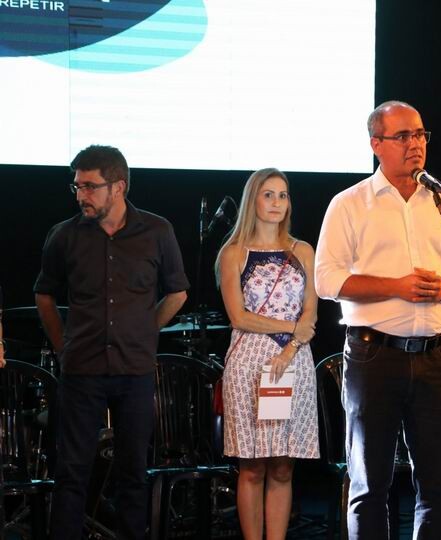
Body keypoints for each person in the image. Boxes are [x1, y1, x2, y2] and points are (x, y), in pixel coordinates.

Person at [315, 100, 441, 539]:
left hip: (437, 356)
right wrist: (396, 286)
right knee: (370, 485)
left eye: (421, 134)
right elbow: (327, 280)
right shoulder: (350, 204)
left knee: (439, 487)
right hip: (375, 356)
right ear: (376, 144)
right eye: (403, 136)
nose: (416, 144)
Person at [34, 144, 189, 539]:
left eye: (89, 186)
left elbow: (177, 293)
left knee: (132, 472)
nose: (80, 195)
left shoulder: (157, 231)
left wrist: (146, 329)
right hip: (81, 370)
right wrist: (62, 345)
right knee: (72, 473)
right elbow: (44, 294)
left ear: (118, 186)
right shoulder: (64, 235)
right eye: (77, 186)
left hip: (134, 370)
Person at [215, 168, 319, 540]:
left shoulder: (303, 250)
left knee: (282, 467)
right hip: (249, 363)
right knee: (252, 467)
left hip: (293, 362)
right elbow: (238, 316)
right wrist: (293, 327)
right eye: (268, 194)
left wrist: (290, 348)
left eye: (283, 195)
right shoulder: (233, 253)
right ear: (253, 201)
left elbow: (311, 313)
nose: (277, 203)